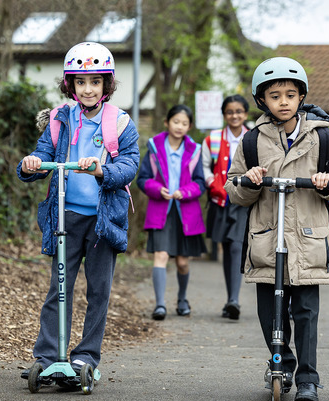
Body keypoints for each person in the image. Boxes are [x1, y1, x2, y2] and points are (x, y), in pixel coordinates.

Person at [224, 57, 329, 401]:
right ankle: (283, 364)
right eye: (275, 95)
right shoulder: (252, 141)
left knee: (306, 314)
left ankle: (308, 378)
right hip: (268, 242)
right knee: (269, 312)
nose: (283, 101)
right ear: (262, 101)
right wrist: (250, 181)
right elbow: (233, 188)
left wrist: (328, 182)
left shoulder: (321, 138)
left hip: (308, 241)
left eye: (290, 94)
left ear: (301, 97)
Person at [17, 42, 140, 380]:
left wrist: (102, 170)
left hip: (103, 220)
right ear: (70, 85)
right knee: (59, 286)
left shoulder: (120, 122)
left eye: (95, 82)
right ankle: (47, 355)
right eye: (81, 82)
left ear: (107, 85)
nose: (88, 89)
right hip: (65, 217)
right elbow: (42, 155)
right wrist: (31, 165)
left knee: (98, 290)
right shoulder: (59, 118)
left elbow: (130, 165)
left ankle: (85, 357)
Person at [137, 104, 206, 321]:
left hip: (186, 212)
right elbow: (142, 179)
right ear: (167, 123)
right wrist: (157, 189)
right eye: (176, 121)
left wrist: (184, 192)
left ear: (189, 126)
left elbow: (200, 183)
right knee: (161, 255)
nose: (180, 126)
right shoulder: (154, 148)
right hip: (160, 211)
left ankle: (182, 299)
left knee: (183, 262)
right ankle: (159, 305)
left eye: (184, 123)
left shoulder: (195, 150)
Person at [201, 95, 250, 320]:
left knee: (236, 246)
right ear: (224, 115)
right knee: (225, 245)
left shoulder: (254, 138)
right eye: (230, 112)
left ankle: (234, 300)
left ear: (246, 114)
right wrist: (214, 185)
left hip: (244, 200)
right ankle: (231, 298)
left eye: (239, 111)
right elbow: (205, 167)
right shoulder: (211, 139)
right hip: (220, 198)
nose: (234, 116)